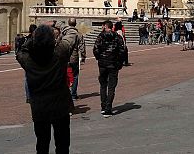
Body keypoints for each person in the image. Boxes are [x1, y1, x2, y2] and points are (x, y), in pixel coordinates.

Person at [17, 24, 78, 154]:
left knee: (42, 143)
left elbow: (21, 51)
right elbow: (72, 34)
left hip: (39, 107)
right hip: (60, 105)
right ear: (52, 39)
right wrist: (58, 23)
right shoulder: (60, 52)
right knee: (62, 144)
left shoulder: (27, 59)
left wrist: (32, 38)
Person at [93, 20, 126, 117]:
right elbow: (122, 51)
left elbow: (95, 49)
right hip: (113, 64)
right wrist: (120, 62)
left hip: (103, 64)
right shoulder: (117, 37)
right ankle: (108, 108)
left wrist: (99, 58)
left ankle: (103, 107)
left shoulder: (101, 36)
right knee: (111, 86)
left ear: (105, 26)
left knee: (103, 86)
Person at [62, 18, 86, 100]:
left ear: (68, 23)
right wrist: (83, 57)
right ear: (75, 24)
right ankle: (73, 94)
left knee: (64, 75)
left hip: (64, 57)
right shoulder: (78, 34)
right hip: (74, 57)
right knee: (75, 76)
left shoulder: (63, 33)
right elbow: (82, 47)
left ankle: (65, 93)